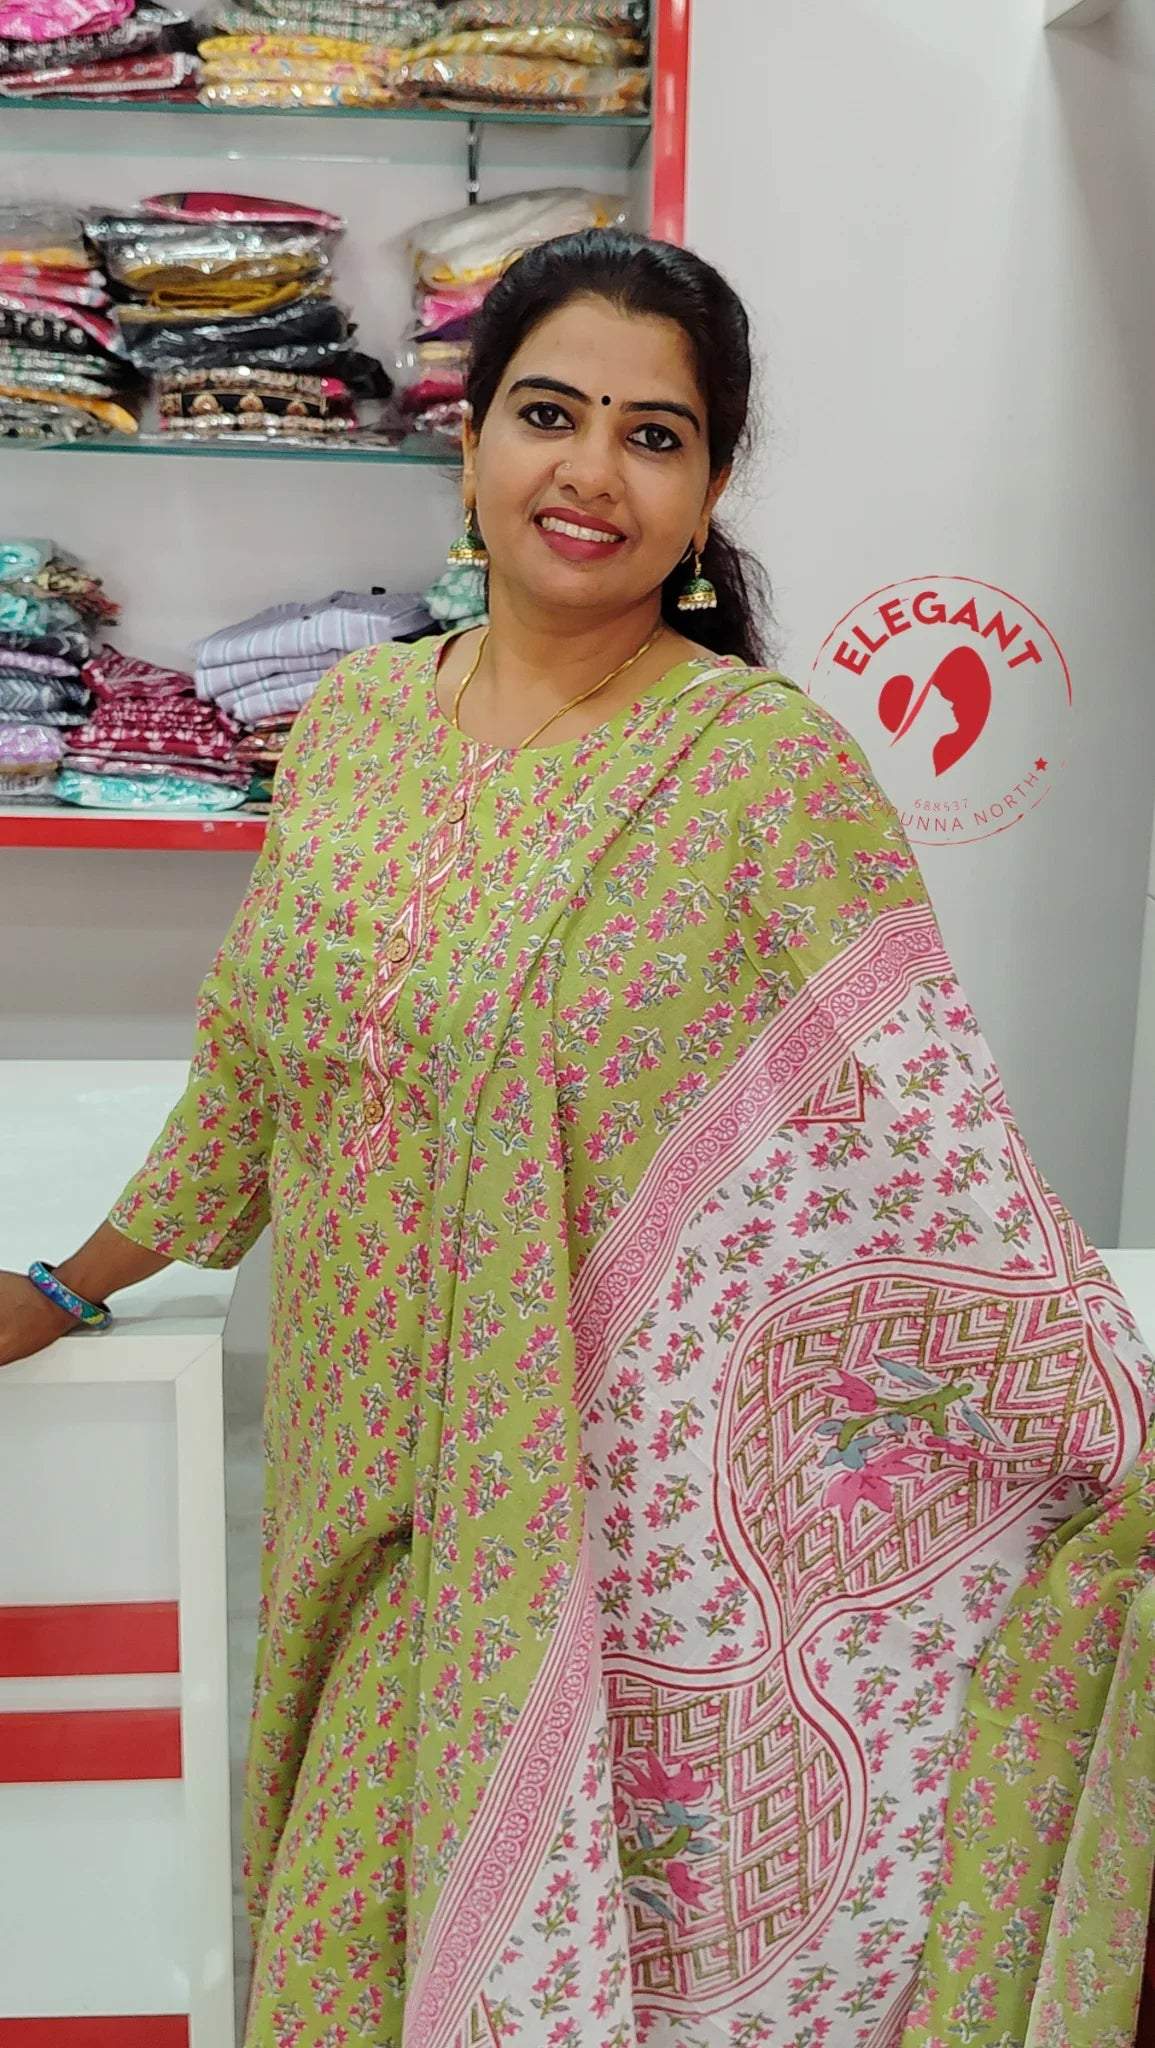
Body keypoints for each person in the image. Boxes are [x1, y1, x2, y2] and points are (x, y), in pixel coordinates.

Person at [3, 227, 1154, 2048]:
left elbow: (922, 1147)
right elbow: (258, 1071)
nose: (592, 472)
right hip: (343, 1464)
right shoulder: (362, 721)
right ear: (468, 441)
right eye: (550, 413)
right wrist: (71, 1280)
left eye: (656, 435)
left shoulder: (760, 768)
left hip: (581, 1514)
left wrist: (1101, 1418)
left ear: (708, 496)